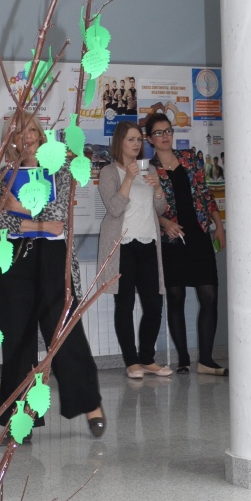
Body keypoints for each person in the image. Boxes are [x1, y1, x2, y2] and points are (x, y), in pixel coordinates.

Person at [0, 116, 106, 438]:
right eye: (19, 132)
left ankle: (90, 404)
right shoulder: (3, 176)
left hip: (53, 258)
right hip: (14, 258)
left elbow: (59, 219)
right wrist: (34, 222)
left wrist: (19, 209)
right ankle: (19, 419)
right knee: (17, 338)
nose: (27, 136)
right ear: (11, 140)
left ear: (41, 135)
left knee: (64, 332)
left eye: (32, 130)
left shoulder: (61, 170)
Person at [145, 114, 227, 375]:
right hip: (171, 239)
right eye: (158, 133)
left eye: (168, 131)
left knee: (209, 296)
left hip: (199, 234)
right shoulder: (148, 168)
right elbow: (145, 205)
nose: (165, 136)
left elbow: (205, 192)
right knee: (176, 297)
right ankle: (183, 358)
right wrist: (164, 222)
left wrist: (219, 225)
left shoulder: (190, 158)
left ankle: (206, 360)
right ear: (150, 139)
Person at [97, 121, 172, 379]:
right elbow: (115, 209)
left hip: (149, 243)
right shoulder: (109, 172)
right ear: (119, 142)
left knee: (154, 305)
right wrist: (128, 179)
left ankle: (147, 358)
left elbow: (159, 210)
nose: (136, 143)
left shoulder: (148, 168)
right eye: (131, 139)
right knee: (125, 305)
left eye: (138, 139)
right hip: (122, 247)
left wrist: (158, 189)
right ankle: (132, 362)